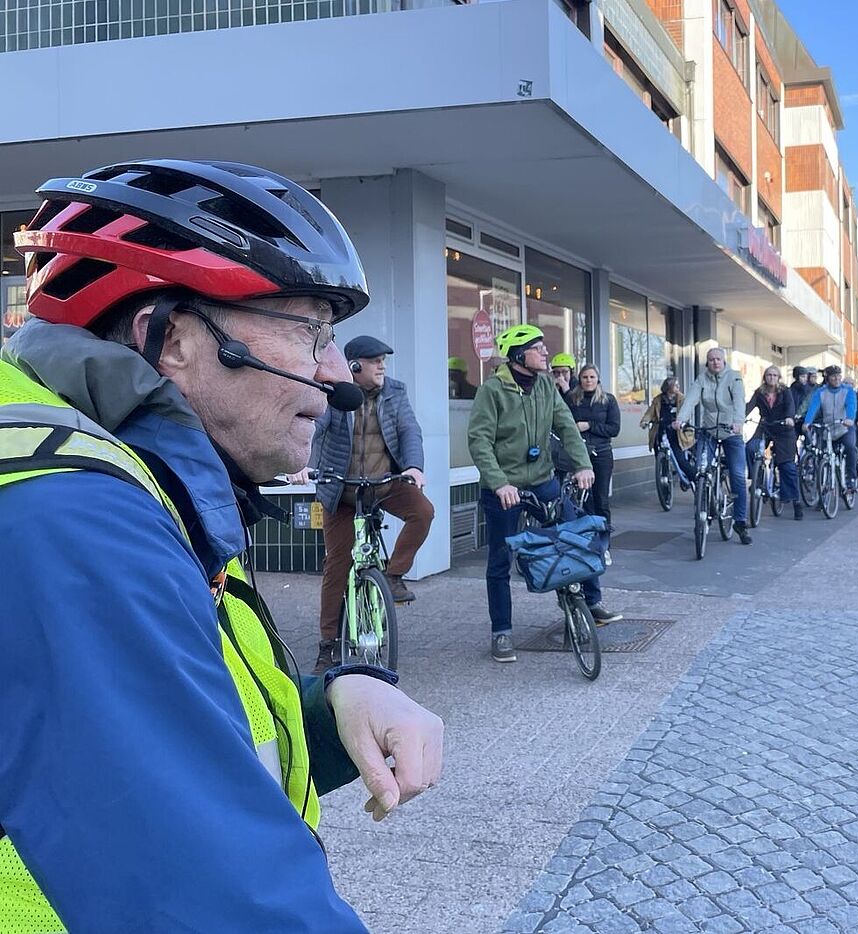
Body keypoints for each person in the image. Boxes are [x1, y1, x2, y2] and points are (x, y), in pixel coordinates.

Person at [0, 158, 443, 930]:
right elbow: (211, 900)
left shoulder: (149, 483)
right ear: (171, 339)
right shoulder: (73, 518)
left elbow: (170, 732)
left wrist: (332, 702)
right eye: (310, 331)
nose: (336, 374)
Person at [467, 325, 621, 663]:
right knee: (500, 558)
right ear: (519, 355)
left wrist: (582, 465)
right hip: (504, 487)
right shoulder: (492, 390)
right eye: (538, 348)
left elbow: (566, 426)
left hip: (541, 480)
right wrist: (499, 483)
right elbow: (479, 441)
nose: (545, 352)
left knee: (575, 533)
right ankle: (502, 632)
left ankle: (591, 602)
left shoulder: (546, 387)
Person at [293, 335, 434, 674]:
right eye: (375, 361)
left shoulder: (395, 392)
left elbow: (409, 431)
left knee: (423, 512)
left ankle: (393, 575)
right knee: (337, 565)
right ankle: (328, 646)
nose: (382, 366)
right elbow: (316, 426)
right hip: (340, 490)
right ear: (354, 366)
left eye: (383, 360)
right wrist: (300, 462)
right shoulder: (336, 393)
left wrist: (414, 467)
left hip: (383, 484)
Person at [678, 347, 751, 545]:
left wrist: (738, 422)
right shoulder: (702, 379)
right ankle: (704, 507)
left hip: (731, 431)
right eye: (711, 360)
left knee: (737, 475)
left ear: (724, 361)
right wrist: (681, 419)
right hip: (709, 430)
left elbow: (739, 402)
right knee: (701, 470)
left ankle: (740, 522)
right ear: (707, 363)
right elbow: (691, 399)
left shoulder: (734, 377)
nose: (715, 362)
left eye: (718, 359)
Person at [566, 364, 621, 529]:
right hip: (579, 454)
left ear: (598, 380)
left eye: (592, 377)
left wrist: (589, 425)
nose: (588, 380)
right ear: (579, 379)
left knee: (601, 499)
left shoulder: (608, 400)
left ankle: (604, 537)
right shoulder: (571, 399)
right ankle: (587, 537)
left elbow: (614, 429)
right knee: (583, 499)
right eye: (585, 377)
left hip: (601, 454)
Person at [746, 365, 802, 519]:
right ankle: (756, 479)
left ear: (779, 378)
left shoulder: (785, 391)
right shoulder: (759, 392)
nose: (771, 377)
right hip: (766, 426)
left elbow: (790, 406)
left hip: (784, 429)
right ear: (765, 377)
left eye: (774, 375)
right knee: (750, 448)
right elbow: (749, 407)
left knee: (787, 465)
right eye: (769, 375)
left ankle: (795, 501)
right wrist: (738, 418)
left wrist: (789, 417)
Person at [804, 365, 858, 492]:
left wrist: (850, 418)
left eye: (838, 376)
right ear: (827, 378)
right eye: (833, 376)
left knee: (850, 447)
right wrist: (807, 422)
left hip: (844, 427)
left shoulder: (848, 391)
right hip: (828, 429)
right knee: (821, 455)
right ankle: (822, 485)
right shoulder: (821, 392)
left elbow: (851, 405)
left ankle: (851, 478)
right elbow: (813, 407)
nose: (837, 378)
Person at [641, 375, 693, 487]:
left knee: (680, 458)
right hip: (661, 429)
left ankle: (694, 478)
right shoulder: (658, 400)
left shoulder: (681, 399)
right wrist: (645, 421)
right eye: (675, 385)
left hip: (676, 431)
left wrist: (681, 421)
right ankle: (663, 476)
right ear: (668, 387)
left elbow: (686, 412)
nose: (678, 387)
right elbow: (650, 412)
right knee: (659, 451)